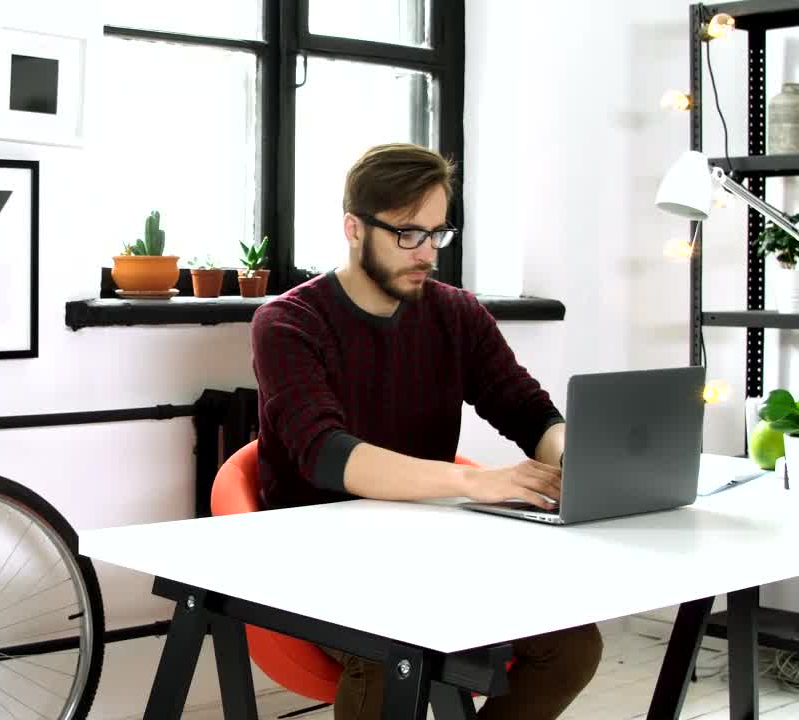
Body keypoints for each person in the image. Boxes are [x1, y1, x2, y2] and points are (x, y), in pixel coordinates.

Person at [249, 143, 602, 720]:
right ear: (353, 228)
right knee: (390, 654)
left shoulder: (456, 313)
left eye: (438, 234)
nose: (427, 253)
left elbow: (529, 412)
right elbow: (327, 456)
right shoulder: (289, 322)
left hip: (427, 548)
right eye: (408, 234)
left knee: (571, 646)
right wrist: (480, 483)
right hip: (313, 558)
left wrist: (576, 458)